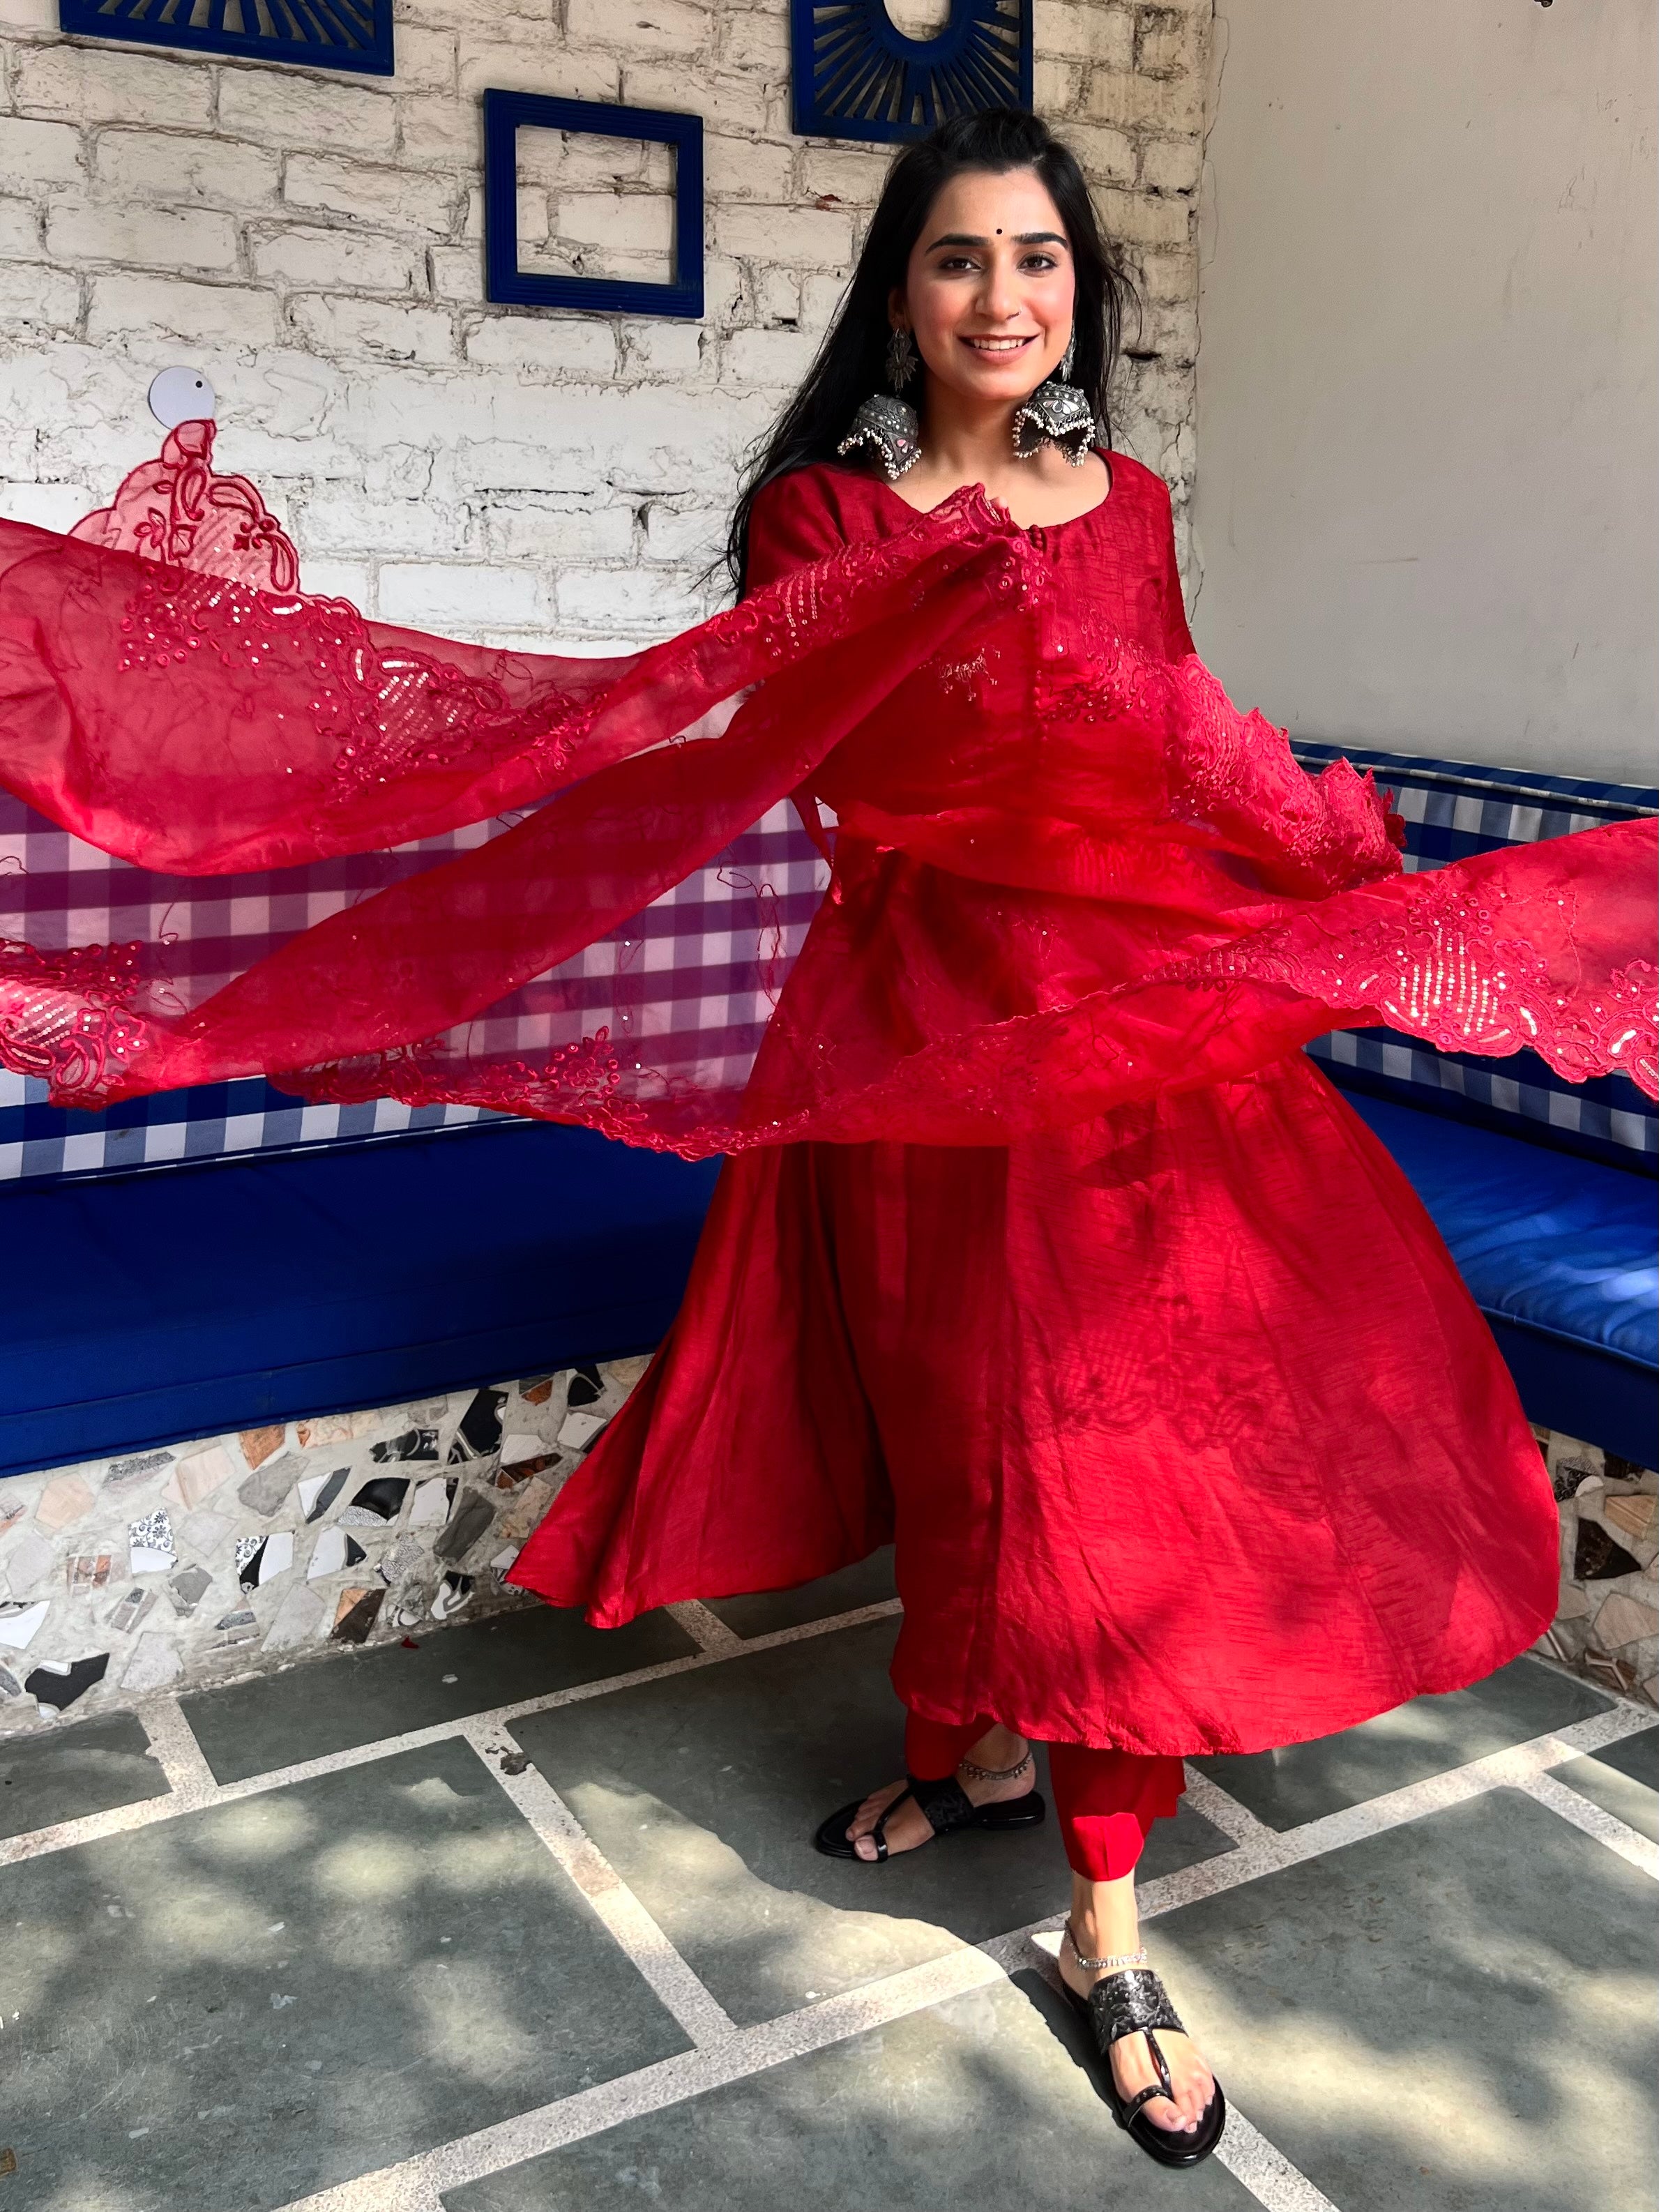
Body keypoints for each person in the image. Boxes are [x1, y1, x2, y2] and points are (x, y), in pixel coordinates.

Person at [1, 103, 1651, 2182]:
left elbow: (1153, 719)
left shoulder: (1120, 497)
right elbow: (907, 772)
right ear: (899, 291)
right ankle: (947, 1753)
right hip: (913, 1032)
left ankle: (1108, 1929)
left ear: (1078, 291)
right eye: (958, 258)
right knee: (943, 1406)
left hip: (1125, 1040)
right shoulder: (824, 520)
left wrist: (1293, 821)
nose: (999, 296)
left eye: (1035, 259)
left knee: (1093, 1439)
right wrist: (1084, 698)